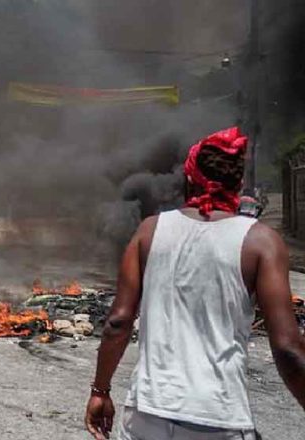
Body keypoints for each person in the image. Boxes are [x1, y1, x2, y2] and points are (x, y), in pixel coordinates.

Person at [85, 127, 305, 439]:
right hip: (218, 417)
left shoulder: (149, 231)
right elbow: (287, 348)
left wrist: (100, 390)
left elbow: (118, 322)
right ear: (239, 183)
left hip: (147, 415)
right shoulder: (261, 242)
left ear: (188, 177)